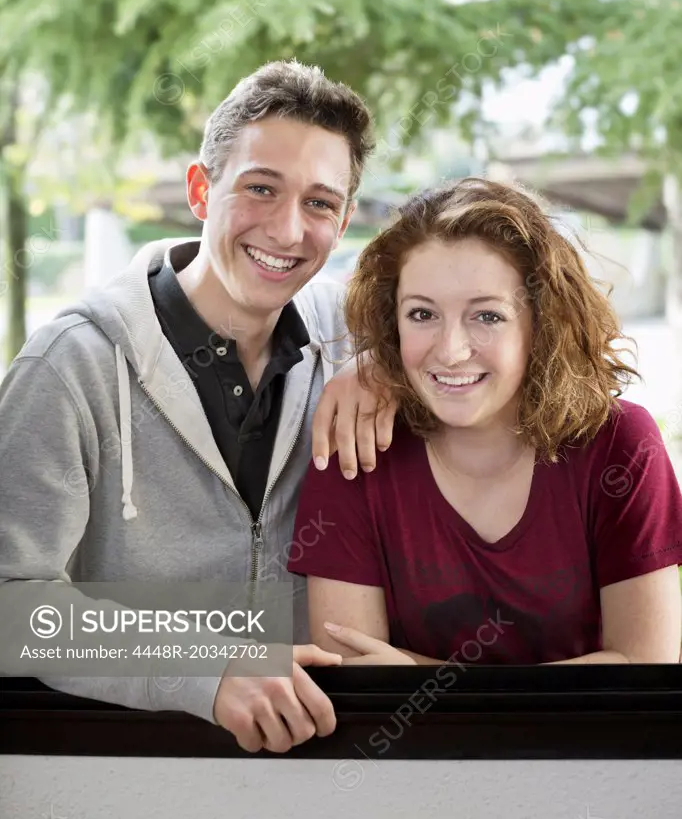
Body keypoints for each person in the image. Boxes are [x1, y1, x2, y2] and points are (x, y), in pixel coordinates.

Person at [0, 60, 397, 754]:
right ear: (200, 189)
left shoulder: (349, 333)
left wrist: (389, 365)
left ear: (344, 220)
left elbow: (493, 329)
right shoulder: (71, 366)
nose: (286, 229)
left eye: (319, 203)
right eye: (261, 188)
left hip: (317, 758)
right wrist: (204, 668)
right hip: (129, 769)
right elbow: (10, 605)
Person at [289, 177, 682, 667]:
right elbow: (354, 681)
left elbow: (644, 671)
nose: (451, 351)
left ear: (543, 323)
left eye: (488, 317)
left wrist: (418, 676)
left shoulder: (621, 445)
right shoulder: (355, 449)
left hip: (591, 748)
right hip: (413, 749)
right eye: (422, 314)